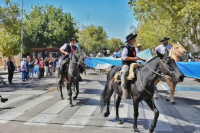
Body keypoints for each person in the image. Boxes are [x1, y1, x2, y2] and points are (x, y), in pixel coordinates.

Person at [121, 33, 146, 99]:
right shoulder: (125, 48)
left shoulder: (135, 48)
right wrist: (133, 58)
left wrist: (141, 59)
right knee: (124, 72)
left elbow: (136, 56)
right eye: (133, 39)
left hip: (134, 64)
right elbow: (124, 57)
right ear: (129, 40)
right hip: (127, 64)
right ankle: (124, 89)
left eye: (135, 39)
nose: (135, 40)